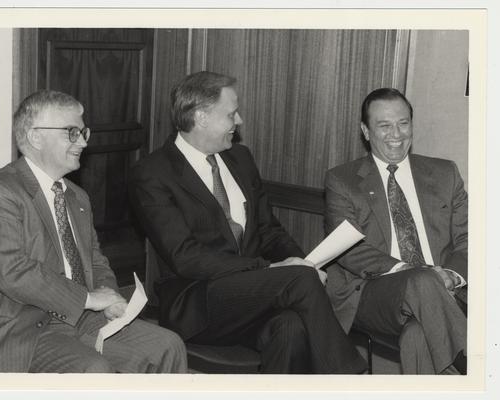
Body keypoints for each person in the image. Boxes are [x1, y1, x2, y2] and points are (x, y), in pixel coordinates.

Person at [128, 71, 366, 374]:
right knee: (298, 279)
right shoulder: (153, 173)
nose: (238, 121)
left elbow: (268, 231)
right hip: (199, 302)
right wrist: (271, 271)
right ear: (201, 117)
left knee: (291, 326)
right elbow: (185, 257)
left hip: (256, 297)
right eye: (231, 113)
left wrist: (304, 262)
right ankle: (350, 380)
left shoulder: (240, 158)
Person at [0, 90, 187, 373]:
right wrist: (89, 299)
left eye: (83, 132)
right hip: (22, 324)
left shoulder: (76, 196)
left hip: (81, 316)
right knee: (93, 369)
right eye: (72, 132)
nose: (83, 141)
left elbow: (94, 260)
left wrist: (109, 296)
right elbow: (13, 272)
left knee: (167, 346)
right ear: (35, 137)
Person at [324, 88, 467, 374]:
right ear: (365, 131)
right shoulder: (342, 180)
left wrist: (451, 275)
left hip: (447, 287)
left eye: (403, 123)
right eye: (384, 125)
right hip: (374, 292)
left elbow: (468, 238)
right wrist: (412, 271)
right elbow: (350, 251)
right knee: (423, 280)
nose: (396, 134)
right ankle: (477, 367)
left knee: (417, 337)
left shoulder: (444, 173)